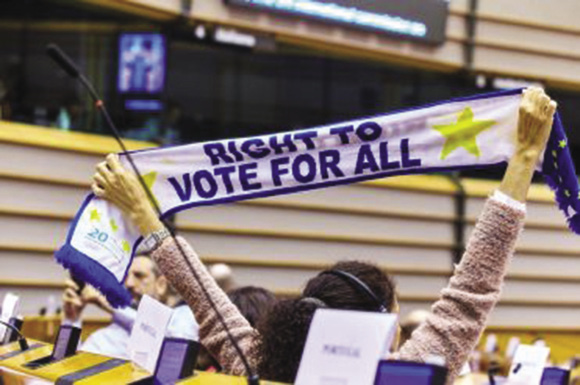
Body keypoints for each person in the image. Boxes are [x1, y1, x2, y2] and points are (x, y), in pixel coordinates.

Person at [91, 87, 557, 383]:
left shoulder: (255, 365)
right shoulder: (402, 377)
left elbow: (206, 301)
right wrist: (523, 159)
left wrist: (142, 212)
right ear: (372, 330)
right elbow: (470, 292)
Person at [62, 253, 198, 359]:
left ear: (161, 285)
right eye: (126, 277)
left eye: (139, 276)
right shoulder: (107, 335)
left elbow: (175, 346)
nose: (129, 284)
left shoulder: (182, 316)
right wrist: (71, 320)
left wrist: (108, 303)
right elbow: (64, 365)